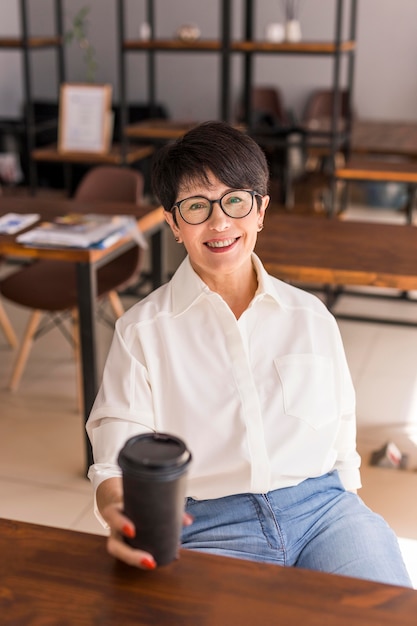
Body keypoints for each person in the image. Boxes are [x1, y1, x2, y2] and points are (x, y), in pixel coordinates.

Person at [86, 121, 411, 586]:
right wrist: (122, 508)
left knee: (387, 612)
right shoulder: (141, 331)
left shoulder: (311, 316)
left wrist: (351, 511)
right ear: (174, 223)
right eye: (196, 206)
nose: (219, 223)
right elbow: (116, 461)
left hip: (325, 512)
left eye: (236, 200)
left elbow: (341, 436)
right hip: (207, 525)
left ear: (260, 210)